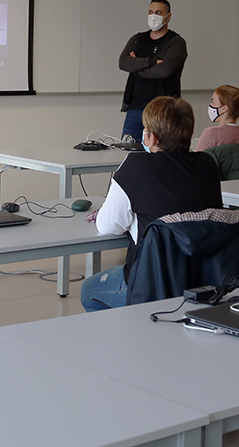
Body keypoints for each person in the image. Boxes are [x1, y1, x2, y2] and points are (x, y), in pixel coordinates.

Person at [80, 96, 221, 311]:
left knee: (89, 291)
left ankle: (129, 337)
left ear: (151, 138)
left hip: (153, 281)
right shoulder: (208, 164)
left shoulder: (137, 165)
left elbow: (108, 226)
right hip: (205, 277)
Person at [117, 0, 187, 142]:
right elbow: (123, 62)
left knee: (161, 153)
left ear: (168, 16)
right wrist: (153, 61)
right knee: (128, 152)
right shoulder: (137, 39)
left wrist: (136, 66)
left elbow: (165, 71)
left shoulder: (176, 43)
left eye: (158, 12)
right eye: (150, 12)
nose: (153, 16)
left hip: (164, 110)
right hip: (136, 108)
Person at [195, 85, 239, 151]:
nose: (211, 105)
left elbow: (196, 160)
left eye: (213, 102)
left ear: (224, 108)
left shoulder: (211, 133)